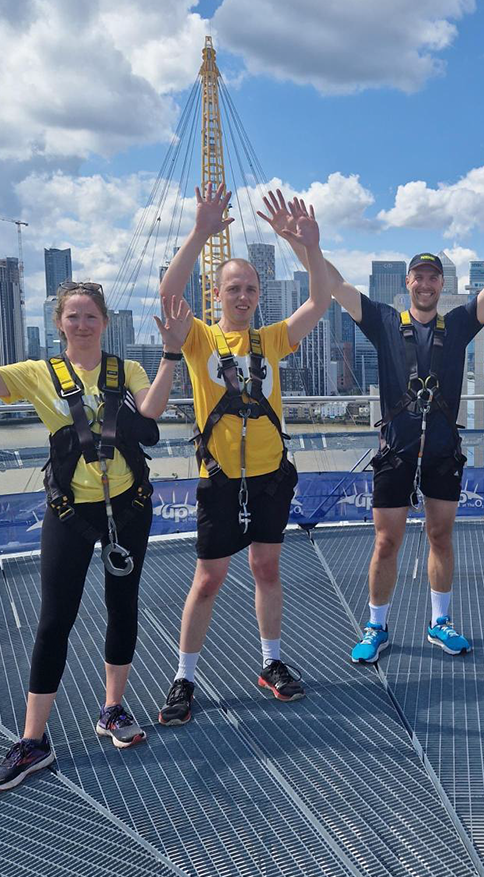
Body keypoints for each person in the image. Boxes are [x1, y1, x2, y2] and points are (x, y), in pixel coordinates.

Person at [309, 201, 484, 663]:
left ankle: (440, 621)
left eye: (434, 277)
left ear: (441, 285)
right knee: (386, 540)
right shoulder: (383, 322)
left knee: (440, 535)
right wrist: (307, 244)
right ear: (409, 283)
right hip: (396, 450)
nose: (426, 283)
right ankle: (376, 626)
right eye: (420, 276)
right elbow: (333, 284)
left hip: (440, 450)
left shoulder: (456, 327)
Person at [0, 282, 190, 790]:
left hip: (128, 508)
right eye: (73, 316)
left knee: (123, 606)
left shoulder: (124, 370)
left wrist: (171, 353)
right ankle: (33, 740)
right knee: (55, 620)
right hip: (70, 512)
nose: (83, 324)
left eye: (91, 316)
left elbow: (151, 411)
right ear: (59, 324)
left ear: (105, 322)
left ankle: (112, 709)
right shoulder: (37, 374)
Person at [149, 186, 330, 727]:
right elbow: (167, 294)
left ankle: (270, 662)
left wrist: (310, 247)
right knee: (208, 578)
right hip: (222, 478)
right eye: (234, 288)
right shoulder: (200, 339)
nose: (243, 296)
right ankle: (185, 676)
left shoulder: (272, 340)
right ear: (217, 292)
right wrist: (201, 230)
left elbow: (319, 300)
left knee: (267, 568)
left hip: (271, 477)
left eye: (251, 289)